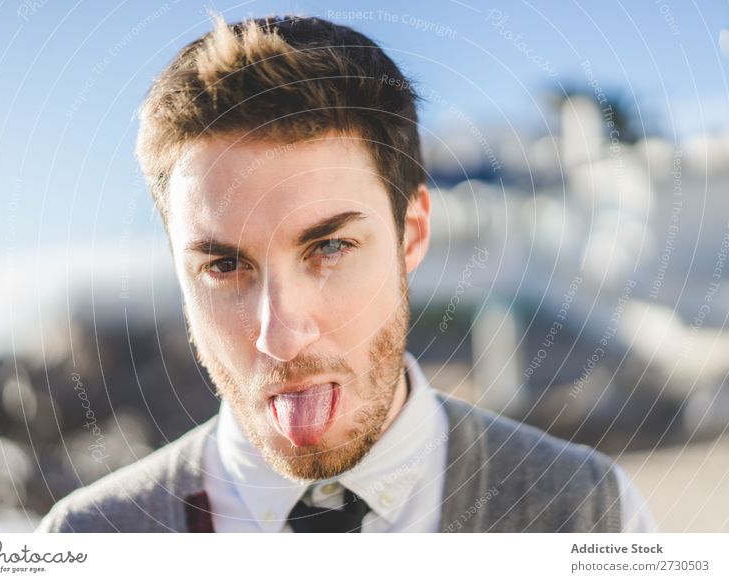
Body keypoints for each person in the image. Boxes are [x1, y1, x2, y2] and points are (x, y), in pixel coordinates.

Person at [36, 14, 655, 533]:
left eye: (329, 248)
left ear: (410, 233)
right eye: (224, 265)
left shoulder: (592, 513)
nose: (280, 336)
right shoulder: (87, 542)